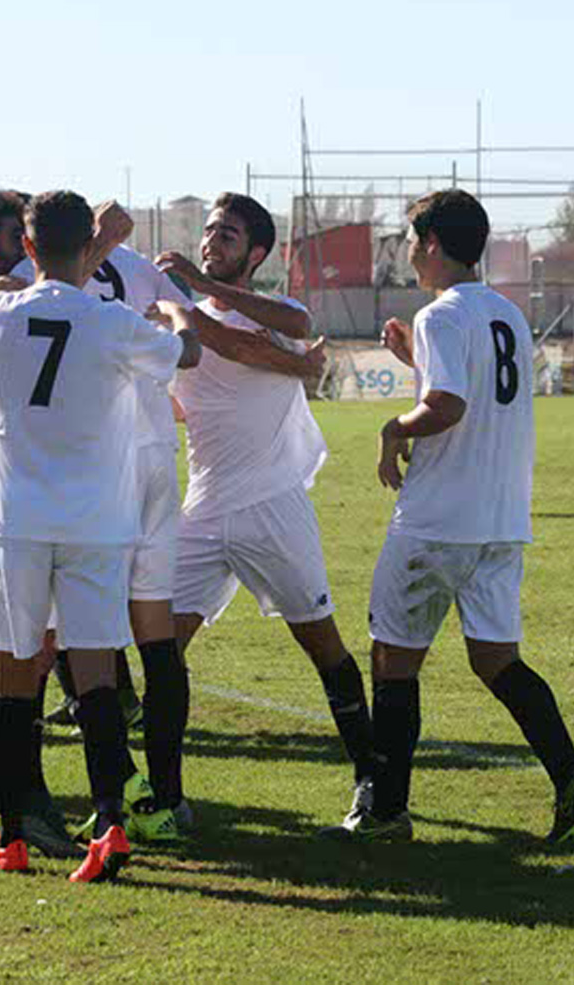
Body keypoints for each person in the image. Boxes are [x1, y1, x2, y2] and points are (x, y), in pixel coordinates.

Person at [327, 189, 574, 844]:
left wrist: (395, 427)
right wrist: (417, 362)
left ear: (430, 244)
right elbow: (476, 388)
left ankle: (386, 811)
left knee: (394, 658)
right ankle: (570, 775)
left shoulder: (441, 314)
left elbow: (448, 406)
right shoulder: (505, 313)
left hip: (436, 519)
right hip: (500, 520)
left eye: (411, 241)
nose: (409, 255)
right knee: (497, 659)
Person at [0, 190, 200, 879]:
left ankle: (12, 838)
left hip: (21, 522)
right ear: (88, 243)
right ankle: (110, 826)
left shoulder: (2, 312)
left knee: (16, 668)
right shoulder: (112, 321)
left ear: (28, 248)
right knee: (95, 674)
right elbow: (185, 354)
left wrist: (4, 284)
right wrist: (177, 312)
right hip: (97, 520)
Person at [153, 193, 372, 832]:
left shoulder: (270, 314)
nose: (212, 240)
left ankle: (371, 781)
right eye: (209, 230)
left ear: (255, 253)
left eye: (229, 233)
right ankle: (165, 798)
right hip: (204, 504)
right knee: (164, 647)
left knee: (321, 643)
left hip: (273, 503)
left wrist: (188, 296)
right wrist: (292, 367)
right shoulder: (180, 314)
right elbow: (226, 351)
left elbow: (288, 327)